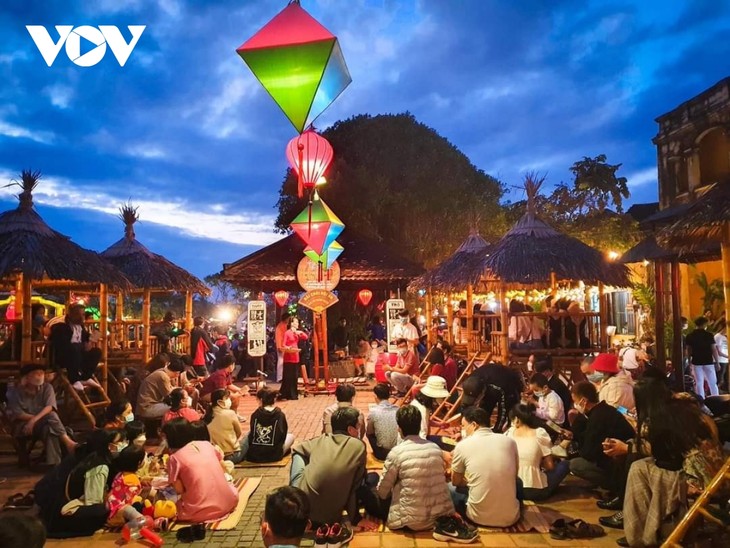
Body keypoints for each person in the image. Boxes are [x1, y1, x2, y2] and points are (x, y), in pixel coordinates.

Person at [372, 405, 454, 531]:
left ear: (399, 429)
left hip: (410, 521)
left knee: (370, 488)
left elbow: (383, 492)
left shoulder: (396, 453)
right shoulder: (435, 448)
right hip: (438, 517)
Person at [34, 429, 125, 538]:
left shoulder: (86, 456)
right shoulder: (99, 467)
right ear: (108, 446)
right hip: (64, 512)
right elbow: (93, 501)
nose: (122, 444)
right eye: (118, 442)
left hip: (54, 506)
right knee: (109, 508)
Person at [164, 418, 238, 542]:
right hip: (229, 502)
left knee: (167, 502)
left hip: (199, 512)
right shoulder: (206, 445)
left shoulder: (174, 458)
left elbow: (179, 490)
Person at [290, 407, 366, 527]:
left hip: (301, 507)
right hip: (329, 517)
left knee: (298, 454)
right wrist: (355, 518)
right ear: (350, 429)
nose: (359, 431)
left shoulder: (321, 440)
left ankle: (293, 493)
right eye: (358, 427)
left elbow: (297, 449)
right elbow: (355, 487)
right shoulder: (359, 446)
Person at [450, 407, 520, 528]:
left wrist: (469, 482)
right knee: (517, 482)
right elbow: (514, 475)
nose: (463, 430)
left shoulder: (463, 445)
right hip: (511, 518)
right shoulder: (509, 441)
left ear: (474, 425)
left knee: (448, 487)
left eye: (463, 426)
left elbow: (455, 481)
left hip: (477, 517)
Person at [6, 363, 77, 465]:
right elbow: (18, 414)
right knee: (51, 417)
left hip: (44, 424)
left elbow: (50, 407)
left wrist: (34, 420)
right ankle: (68, 442)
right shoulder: (16, 392)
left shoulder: (47, 388)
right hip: (24, 425)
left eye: (42, 373)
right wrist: (34, 421)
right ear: (27, 377)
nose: (40, 375)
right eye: (36, 373)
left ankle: (54, 465)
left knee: (49, 430)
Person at [568, 381, 634, 491]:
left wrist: (576, 447)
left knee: (575, 464)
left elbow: (588, 453)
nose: (575, 405)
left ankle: (614, 487)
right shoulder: (603, 409)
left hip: (619, 466)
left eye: (575, 401)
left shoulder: (598, 417)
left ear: (583, 401)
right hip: (616, 460)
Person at [506, 404, 569, 501]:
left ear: (516, 419)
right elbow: (549, 466)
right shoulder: (540, 433)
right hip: (534, 490)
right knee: (565, 465)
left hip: (512, 489)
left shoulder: (509, 433)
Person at [49, 303, 102, 391]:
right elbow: (63, 345)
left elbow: (85, 337)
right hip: (64, 357)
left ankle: (85, 377)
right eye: (78, 314)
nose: (81, 317)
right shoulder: (60, 326)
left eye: (83, 314)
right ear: (70, 314)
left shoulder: (80, 326)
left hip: (79, 355)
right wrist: (82, 346)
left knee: (97, 352)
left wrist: (92, 339)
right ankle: (74, 379)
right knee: (73, 349)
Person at [244, 388, 295, 463]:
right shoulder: (280, 415)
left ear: (261, 400)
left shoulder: (255, 414)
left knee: (248, 434)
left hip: (255, 455)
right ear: (274, 399)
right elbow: (283, 435)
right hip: (274, 455)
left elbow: (252, 433)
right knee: (291, 436)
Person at [105, 445, 146, 527]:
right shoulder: (132, 480)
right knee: (142, 520)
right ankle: (126, 527)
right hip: (121, 508)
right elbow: (132, 497)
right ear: (139, 463)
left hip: (110, 504)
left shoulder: (120, 474)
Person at [205, 389, 245, 463]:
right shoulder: (230, 413)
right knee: (247, 436)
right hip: (232, 456)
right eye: (227, 398)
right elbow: (239, 433)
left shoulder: (206, 416)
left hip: (215, 457)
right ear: (219, 402)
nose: (229, 400)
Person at [409, 375, 450, 440]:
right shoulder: (423, 410)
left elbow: (425, 421)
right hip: (418, 441)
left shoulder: (418, 403)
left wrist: (439, 424)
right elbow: (422, 437)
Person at [366, 383, 399, 460]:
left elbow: (369, 432)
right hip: (398, 451)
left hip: (382, 454)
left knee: (369, 433)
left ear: (375, 396)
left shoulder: (373, 412)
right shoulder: (398, 409)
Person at [281, 317, 308, 401]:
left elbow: (306, 337)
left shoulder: (297, 333)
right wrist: (288, 347)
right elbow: (283, 344)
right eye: (296, 322)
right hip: (288, 356)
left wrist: (300, 332)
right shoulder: (287, 333)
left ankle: (293, 394)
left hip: (296, 356)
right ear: (291, 323)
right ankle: (286, 394)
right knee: (288, 376)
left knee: (294, 377)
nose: (297, 324)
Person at [274, 312, 290, 383]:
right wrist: (279, 347)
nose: (289, 320)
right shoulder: (280, 326)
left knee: (284, 361)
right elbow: (278, 338)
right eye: (288, 318)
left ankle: (283, 377)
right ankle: (279, 378)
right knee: (281, 361)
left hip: (285, 346)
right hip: (281, 346)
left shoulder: (285, 325)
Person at [714, 321, 728, 391]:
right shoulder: (718, 337)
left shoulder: (725, 337)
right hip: (720, 360)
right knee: (719, 378)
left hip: (725, 360)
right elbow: (719, 352)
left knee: (724, 378)